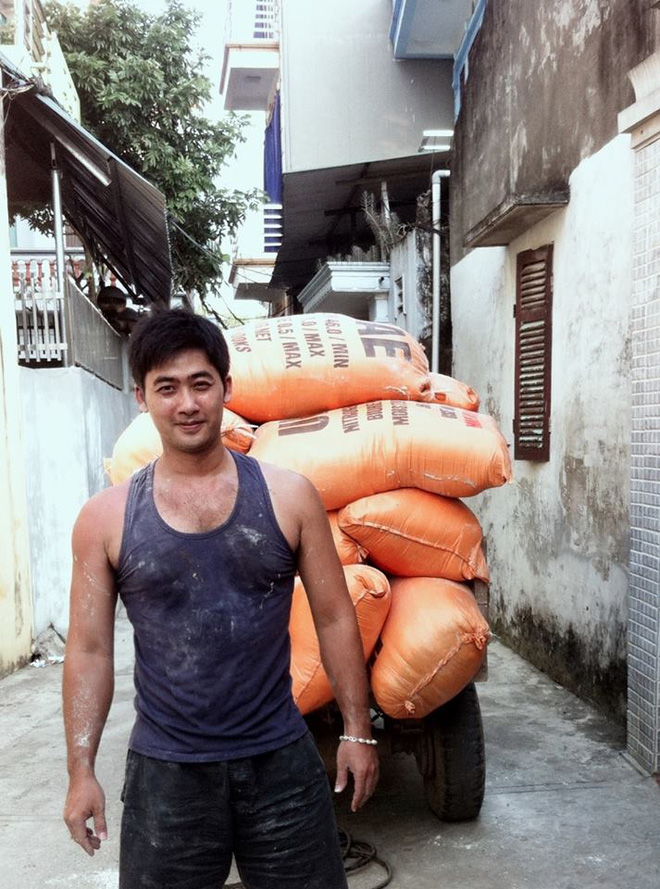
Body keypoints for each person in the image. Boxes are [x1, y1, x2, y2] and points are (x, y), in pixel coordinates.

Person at [62, 309, 379, 889]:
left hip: (280, 761)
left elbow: (335, 616)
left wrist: (357, 730)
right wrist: (80, 771)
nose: (187, 403)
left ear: (226, 389)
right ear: (142, 398)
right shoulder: (105, 519)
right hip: (166, 774)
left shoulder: (289, 498)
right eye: (167, 387)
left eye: (201, 383)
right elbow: (88, 651)